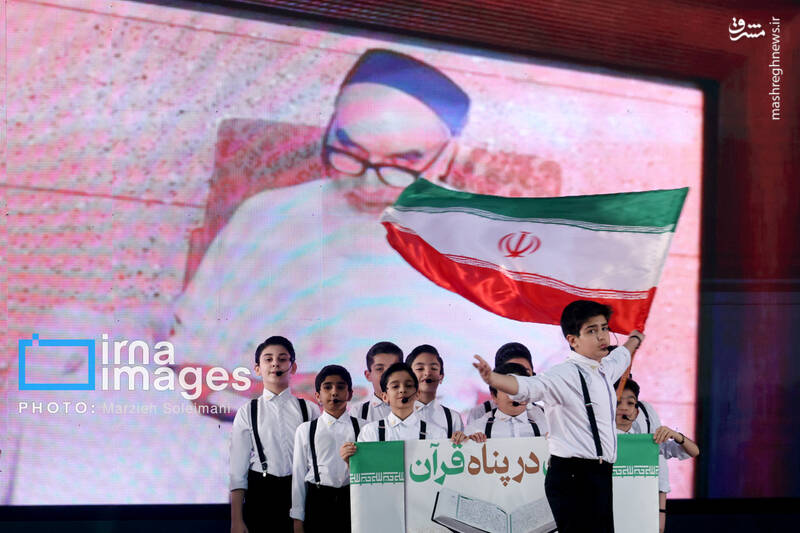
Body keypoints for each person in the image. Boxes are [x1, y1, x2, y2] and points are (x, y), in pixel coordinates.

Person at [168, 47, 563, 414]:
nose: (369, 184)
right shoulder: (268, 215)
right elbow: (192, 364)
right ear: (329, 131)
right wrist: (285, 396)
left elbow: (551, 382)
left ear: (449, 156)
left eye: (399, 164)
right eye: (350, 153)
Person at [473, 300, 645, 533]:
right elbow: (530, 386)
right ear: (572, 340)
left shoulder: (605, 366)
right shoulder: (564, 375)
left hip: (599, 474)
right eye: (591, 331)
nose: (602, 336)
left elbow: (623, 353)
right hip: (574, 477)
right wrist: (493, 379)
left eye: (604, 328)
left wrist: (635, 338)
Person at [230, 336, 320, 533]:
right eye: (268, 359)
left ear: (293, 367)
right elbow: (238, 470)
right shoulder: (247, 411)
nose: (275, 364)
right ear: (257, 369)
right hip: (262, 495)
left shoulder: (310, 409)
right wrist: (236, 520)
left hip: (302, 492)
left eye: (282, 359)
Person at [615, 377, 699, 533]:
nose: (624, 408)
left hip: (641, 514)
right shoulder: (600, 442)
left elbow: (693, 451)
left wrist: (676, 435)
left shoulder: (646, 441)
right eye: (618, 402)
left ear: (637, 412)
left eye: (630, 403)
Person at [291, 365, 361, 533]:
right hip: (318, 501)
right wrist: (298, 519)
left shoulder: (364, 428)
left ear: (350, 394)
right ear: (318, 396)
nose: (334, 392)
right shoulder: (305, 430)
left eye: (340, 387)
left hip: (353, 501)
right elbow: (298, 476)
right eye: (327, 387)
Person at [464, 342, 548, 435]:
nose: (517, 383)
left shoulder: (546, 416)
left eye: (525, 373)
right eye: (510, 378)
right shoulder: (479, 419)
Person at [466, 362, 544, 441]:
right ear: (494, 396)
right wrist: (468, 443)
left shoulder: (546, 425)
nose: (515, 395)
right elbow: (462, 448)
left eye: (518, 389)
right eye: (507, 389)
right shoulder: (476, 429)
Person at [405, 344, 464, 438]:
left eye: (434, 368)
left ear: (441, 377)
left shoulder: (453, 418)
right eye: (420, 369)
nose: (427, 373)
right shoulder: (397, 415)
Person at [349, 341, 403, 422]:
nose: (387, 375)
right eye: (379, 369)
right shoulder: (358, 413)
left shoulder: (417, 409)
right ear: (368, 375)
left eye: (394, 368)